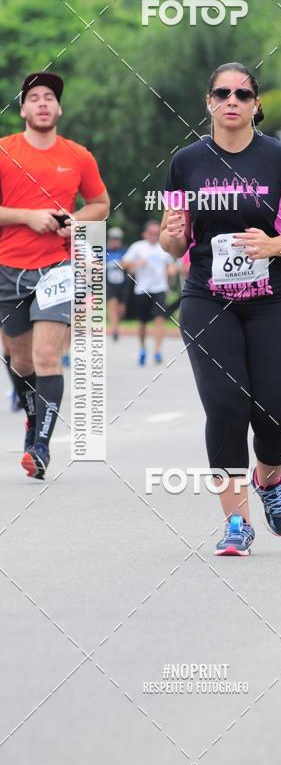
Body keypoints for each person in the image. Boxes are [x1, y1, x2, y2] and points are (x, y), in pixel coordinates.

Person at [159, 61, 281, 556]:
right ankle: (236, 524)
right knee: (226, 408)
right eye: (222, 92)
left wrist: (273, 245)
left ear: (256, 105)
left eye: (242, 94)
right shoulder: (185, 162)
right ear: (208, 102)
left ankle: (269, 480)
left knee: (278, 416)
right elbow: (175, 242)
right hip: (208, 298)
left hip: (274, 298)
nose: (232, 100)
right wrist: (171, 238)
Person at [0, 71, 109, 479]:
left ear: (59, 109)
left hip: (58, 268)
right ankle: (32, 419)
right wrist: (27, 216)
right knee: (19, 358)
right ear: (23, 108)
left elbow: (100, 203)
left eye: (50, 97)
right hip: (8, 267)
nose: (43, 103)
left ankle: (41, 446)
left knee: (48, 355)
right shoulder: (4, 151)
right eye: (35, 97)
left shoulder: (78, 155)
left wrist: (74, 221)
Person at [123, 221, 175, 365]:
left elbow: (170, 264)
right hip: (142, 289)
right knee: (142, 322)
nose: (154, 236)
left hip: (160, 288)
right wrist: (137, 264)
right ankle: (142, 348)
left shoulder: (163, 248)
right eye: (151, 233)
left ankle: (158, 351)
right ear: (145, 234)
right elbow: (124, 264)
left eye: (156, 234)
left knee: (160, 319)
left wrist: (171, 270)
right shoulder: (138, 247)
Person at [106, 226, 127, 341]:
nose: (115, 241)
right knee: (112, 304)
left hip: (122, 283)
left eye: (117, 239)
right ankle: (114, 330)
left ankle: (116, 325)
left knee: (121, 309)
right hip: (109, 283)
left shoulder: (124, 251)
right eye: (113, 239)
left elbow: (129, 264)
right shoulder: (104, 251)